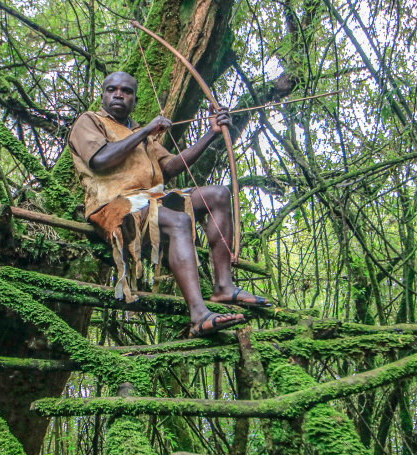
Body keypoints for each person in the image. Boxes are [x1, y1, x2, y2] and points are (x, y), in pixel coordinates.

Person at [68, 71, 269, 337]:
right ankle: (198, 314)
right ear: (103, 94)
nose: (119, 94)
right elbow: (101, 159)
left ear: (134, 99)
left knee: (218, 194)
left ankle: (224, 287)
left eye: (126, 91)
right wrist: (147, 131)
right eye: (112, 89)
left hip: (151, 201)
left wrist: (212, 133)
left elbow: (172, 167)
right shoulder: (89, 121)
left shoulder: (141, 134)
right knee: (179, 220)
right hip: (113, 208)